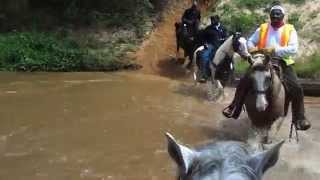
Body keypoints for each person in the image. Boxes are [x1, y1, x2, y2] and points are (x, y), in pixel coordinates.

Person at [222, 3, 311, 131]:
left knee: (296, 87)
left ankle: (300, 118)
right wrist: (252, 47)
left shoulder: (290, 29)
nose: (275, 21)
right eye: (273, 19)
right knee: (244, 81)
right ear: (270, 17)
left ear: (282, 18)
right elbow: (250, 41)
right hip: (261, 59)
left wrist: (275, 50)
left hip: (282, 61)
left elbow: (293, 49)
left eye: (277, 19)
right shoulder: (263, 28)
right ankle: (233, 107)